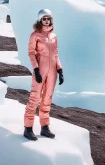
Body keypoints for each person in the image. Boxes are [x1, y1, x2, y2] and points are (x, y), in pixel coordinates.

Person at [23, 9, 64, 141]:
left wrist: (60, 70)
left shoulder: (53, 36)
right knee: (35, 97)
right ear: (40, 20)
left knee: (47, 98)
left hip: (52, 71)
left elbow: (56, 54)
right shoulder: (35, 35)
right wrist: (35, 69)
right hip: (40, 70)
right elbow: (31, 53)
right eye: (44, 18)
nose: (47, 21)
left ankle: (44, 127)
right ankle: (28, 128)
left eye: (48, 18)